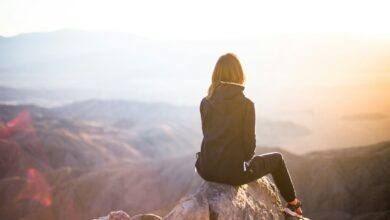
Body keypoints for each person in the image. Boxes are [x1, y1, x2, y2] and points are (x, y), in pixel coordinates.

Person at [195, 53, 303, 217]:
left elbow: (208, 135)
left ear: (215, 75)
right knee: (278, 159)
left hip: (206, 168)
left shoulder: (205, 102)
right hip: (233, 174)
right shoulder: (246, 105)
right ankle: (293, 205)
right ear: (239, 75)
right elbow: (249, 149)